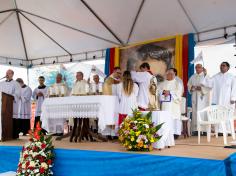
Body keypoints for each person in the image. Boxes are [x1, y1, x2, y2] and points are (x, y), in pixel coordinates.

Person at [202, 62, 236, 132]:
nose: (221, 67)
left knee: (227, 114)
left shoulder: (231, 77)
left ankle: (228, 131)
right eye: (221, 66)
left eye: (223, 66)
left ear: (228, 68)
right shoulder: (216, 76)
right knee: (218, 114)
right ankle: (219, 131)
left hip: (228, 100)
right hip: (218, 99)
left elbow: (234, 88)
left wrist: (233, 98)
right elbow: (208, 83)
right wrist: (205, 74)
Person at [159, 69, 183, 137]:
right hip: (165, 105)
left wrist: (169, 92)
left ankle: (175, 134)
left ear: (174, 75)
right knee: (166, 117)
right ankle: (166, 133)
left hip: (174, 104)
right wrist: (163, 92)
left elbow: (178, 93)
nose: (170, 75)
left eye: (172, 74)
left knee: (174, 118)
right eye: (168, 74)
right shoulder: (163, 83)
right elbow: (158, 91)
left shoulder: (177, 84)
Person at [187, 64, 211, 133]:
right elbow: (189, 85)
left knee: (203, 111)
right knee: (195, 111)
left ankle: (204, 130)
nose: (197, 69)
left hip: (203, 98)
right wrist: (192, 88)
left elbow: (209, 86)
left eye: (199, 67)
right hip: (195, 96)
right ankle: (196, 129)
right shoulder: (193, 76)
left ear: (202, 68)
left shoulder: (206, 76)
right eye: (196, 67)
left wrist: (201, 88)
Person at [0, 69, 21, 139]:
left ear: (12, 74)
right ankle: (3, 135)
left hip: (11, 105)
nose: (7, 75)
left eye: (9, 73)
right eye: (6, 73)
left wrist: (11, 96)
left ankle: (13, 135)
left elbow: (18, 94)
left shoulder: (16, 83)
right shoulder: (1, 83)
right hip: (2, 104)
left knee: (12, 119)